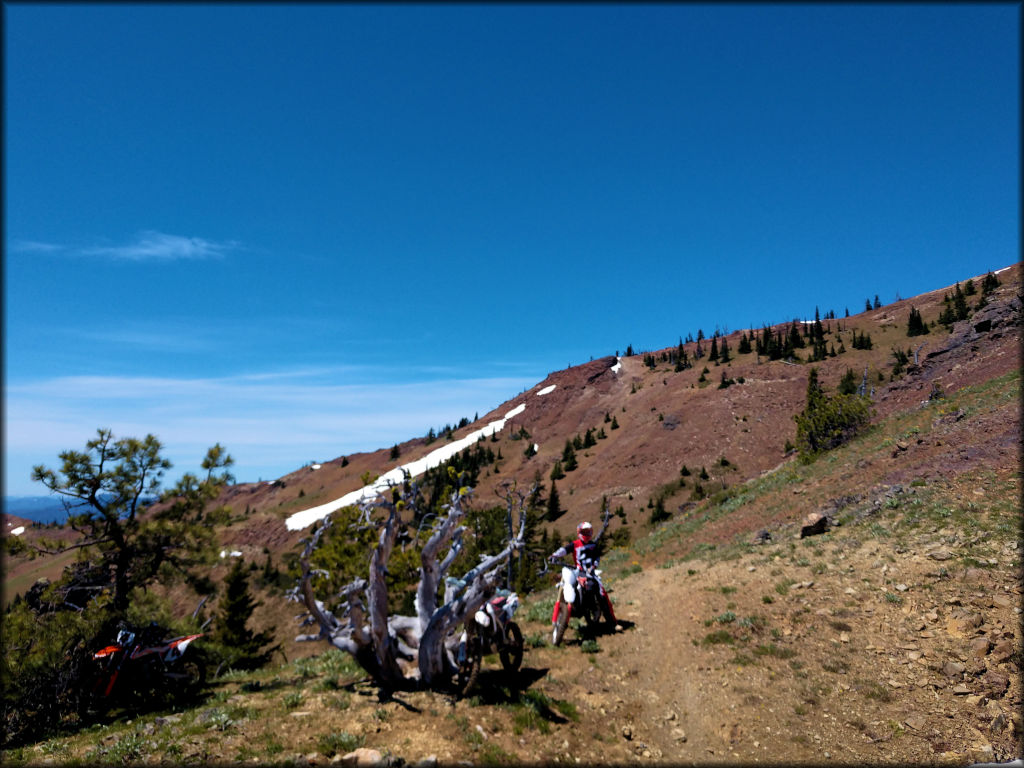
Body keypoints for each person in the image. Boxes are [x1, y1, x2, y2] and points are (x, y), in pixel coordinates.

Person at [548, 521, 618, 628]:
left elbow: (597, 558)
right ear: (579, 532)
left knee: (602, 594)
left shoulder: (594, 545)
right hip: (578, 571)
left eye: (589, 531)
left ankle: (612, 622)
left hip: (590, 573)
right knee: (567, 584)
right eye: (585, 532)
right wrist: (554, 555)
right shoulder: (575, 544)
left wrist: (593, 567)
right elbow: (564, 550)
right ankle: (567, 610)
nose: (587, 534)